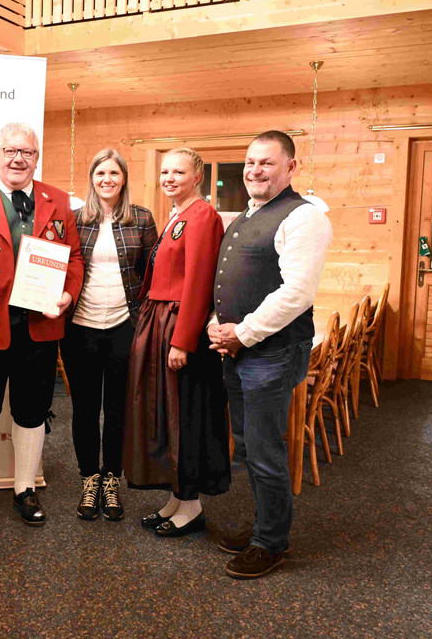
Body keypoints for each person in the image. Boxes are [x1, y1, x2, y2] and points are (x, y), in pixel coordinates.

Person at [0, 122, 84, 532]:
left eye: (26, 152)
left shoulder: (57, 200)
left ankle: (25, 489)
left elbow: (74, 259)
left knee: (32, 411)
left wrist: (68, 294)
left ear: (36, 158)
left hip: (39, 327)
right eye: (10, 151)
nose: (18, 159)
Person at [207, 130, 332, 579]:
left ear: (291, 168)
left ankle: (271, 543)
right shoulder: (246, 215)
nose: (255, 170)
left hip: (272, 353)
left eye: (266, 163)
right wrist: (216, 325)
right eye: (250, 162)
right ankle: (265, 526)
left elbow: (296, 293)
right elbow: (227, 282)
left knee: (264, 451)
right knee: (248, 447)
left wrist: (243, 333)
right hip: (239, 351)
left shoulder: (305, 217)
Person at [123, 147, 230, 538]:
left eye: (179, 172)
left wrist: (182, 341)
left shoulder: (203, 215)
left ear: (197, 176)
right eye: (165, 171)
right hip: (159, 320)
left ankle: (191, 504)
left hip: (178, 326)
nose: (169, 178)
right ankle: (176, 499)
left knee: (183, 416)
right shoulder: (177, 215)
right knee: (164, 416)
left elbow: (199, 282)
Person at [61, 148, 157, 522]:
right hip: (79, 328)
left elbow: (152, 274)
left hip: (124, 326)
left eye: (114, 173)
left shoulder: (141, 219)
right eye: (100, 173)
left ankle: (112, 479)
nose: (107, 179)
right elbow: (61, 267)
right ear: (92, 178)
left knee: (117, 409)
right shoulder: (74, 220)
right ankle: (89, 478)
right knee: (84, 409)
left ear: (124, 179)